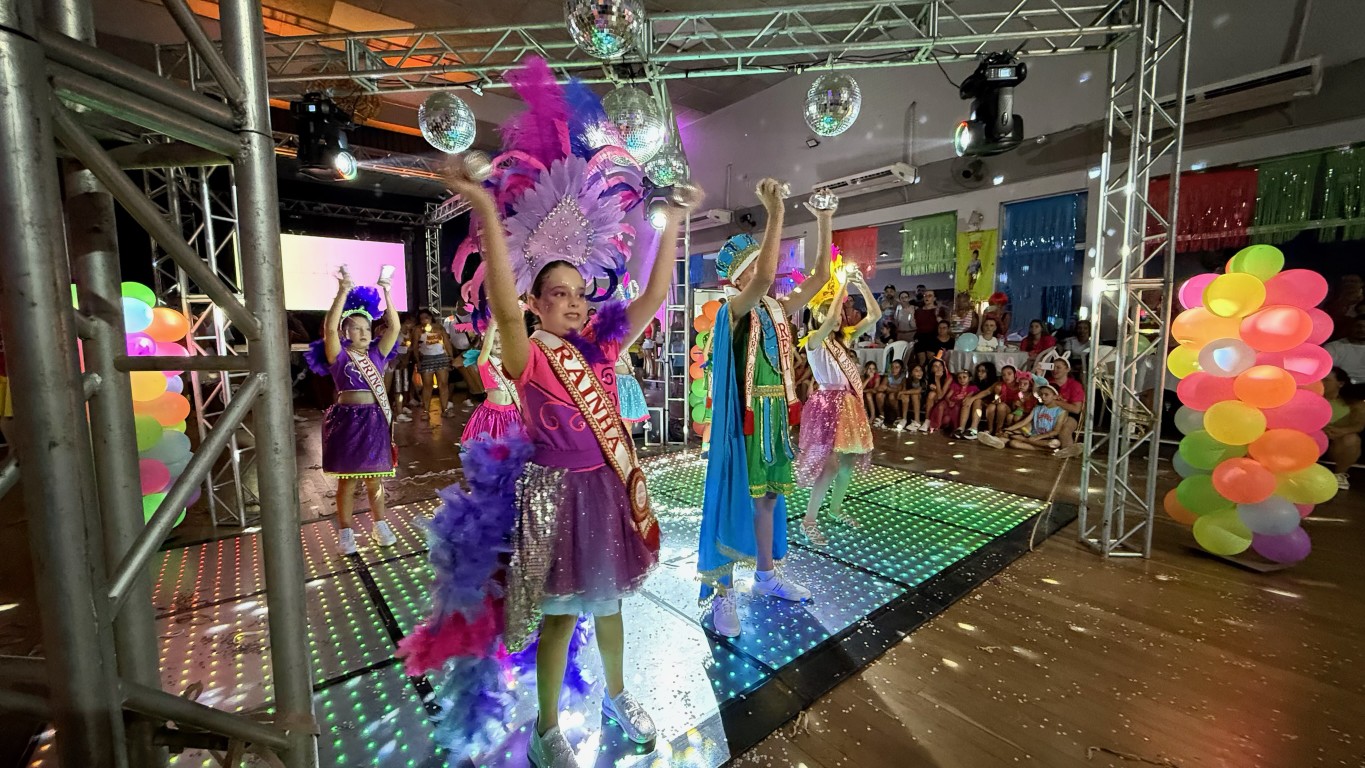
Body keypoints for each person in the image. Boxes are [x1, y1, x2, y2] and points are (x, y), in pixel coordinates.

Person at [401, 60, 703, 766]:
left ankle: (619, 694)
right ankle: (545, 730)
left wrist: (675, 225)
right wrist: (482, 211)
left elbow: (655, 297)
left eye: (578, 292)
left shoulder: (598, 350)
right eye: (557, 293)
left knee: (612, 603)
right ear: (536, 304)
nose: (573, 301)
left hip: (605, 486)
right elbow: (503, 304)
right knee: (564, 614)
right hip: (555, 496)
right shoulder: (526, 352)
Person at [697, 181, 833, 640]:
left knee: (770, 500)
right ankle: (723, 594)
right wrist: (775, 212)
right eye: (755, 264)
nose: (764, 270)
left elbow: (817, 279)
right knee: (737, 500)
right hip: (745, 424)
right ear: (737, 276)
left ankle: (766, 575)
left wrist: (823, 219)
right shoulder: (733, 309)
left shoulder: (775, 308)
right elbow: (763, 279)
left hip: (774, 420)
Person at [306, 273, 402, 555]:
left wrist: (388, 293)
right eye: (356, 328)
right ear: (346, 333)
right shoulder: (340, 356)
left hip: (374, 420)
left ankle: (380, 525)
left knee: (376, 480)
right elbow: (329, 329)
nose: (363, 333)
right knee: (347, 482)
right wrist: (342, 291)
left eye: (367, 328)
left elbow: (394, 328)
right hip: (347, 422)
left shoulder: (377, 355)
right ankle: (346, 532)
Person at [794, 263, 878, 545]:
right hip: (827, 405)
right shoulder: (813, 341)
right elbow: (828, 322)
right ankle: (809, 520)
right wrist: (841, 284)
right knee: (828, 465)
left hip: (848, 404)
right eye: (834, 310)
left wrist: (860, 283)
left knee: (847, 463)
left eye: (842, 311)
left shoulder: (844, 339)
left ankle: (836, 508)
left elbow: (875, 315)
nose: (840, 316)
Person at [458, 320, 523, 445]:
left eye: (501, 342)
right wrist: (492, 326)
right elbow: (486, 348)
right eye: (494, 342)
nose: (498, 345)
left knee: (512, 448)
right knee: (493, 448)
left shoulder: (510, 363)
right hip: (492, 415)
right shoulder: (484, 361)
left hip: (513, 413)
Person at [978, 382, 1069, 452]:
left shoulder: (1061, 411)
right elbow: (1024, 422)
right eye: (1041, 394)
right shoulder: (1038, 408)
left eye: (1046, 395)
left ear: (1056, 396)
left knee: (1055, 443)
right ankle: (997, 441)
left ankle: (1006, 439)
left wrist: (1037, 438)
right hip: (1033, 436)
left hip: (1046, 438)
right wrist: (1008, 429)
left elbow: (1056, 431)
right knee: (1013, 443)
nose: (1043, 397)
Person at [412, 308, 457, 418]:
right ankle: (426, 411)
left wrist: (451, 356)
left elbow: (446, 342)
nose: (424, 320)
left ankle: (445, 409)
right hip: (426, 359)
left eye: (426, 317)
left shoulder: (439, 328)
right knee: (427, 385)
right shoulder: (418, 330)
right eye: (421, 318)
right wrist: (417, 360)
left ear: (431, 317)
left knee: (443, 384)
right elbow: (414, 347)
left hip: (441, 357)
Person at [1323, 367, 1363, 490]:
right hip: (1313, 439)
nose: (1321, 383)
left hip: (1337, 443)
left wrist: (1342, 431)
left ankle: (1339, 475)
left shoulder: (1354, 402)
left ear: (1340, 383)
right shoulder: (1309, 398)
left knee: (1351, 439)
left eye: (1326, 380)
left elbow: (1359, 424)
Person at [954, 362, 999, 439]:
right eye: (978, 371)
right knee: (968, 400)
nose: (979, 373)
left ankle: (973, 429)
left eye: (983, 371)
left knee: (976, 400)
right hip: (974, 404)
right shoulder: (976, 383)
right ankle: (961, 428)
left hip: (989, 404)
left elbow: (987, 392)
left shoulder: (996, 382)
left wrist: (972, 398)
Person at [929, 369, 977, 434]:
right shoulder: (955, 385)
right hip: (950, 403)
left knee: (955, 409)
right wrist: (949, 401)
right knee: (941, 405)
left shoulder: (972, 388)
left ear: (970, 378)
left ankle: (956, 428)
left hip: (960, 405)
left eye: (964, 377)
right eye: (959, 378)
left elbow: (967, 398)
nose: (962, 380)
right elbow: (947, 396)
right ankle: (937, 425)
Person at [615, 350, 650, 431]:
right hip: (615, 384)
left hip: (626, 383)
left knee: (627, 424)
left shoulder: (622, 345)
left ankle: (629, 442)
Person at [983, 365, 1021, 435]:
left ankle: (998, 429)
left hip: (1012, 410)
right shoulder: (999, 386)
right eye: (1003, 375)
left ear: (1015, 375)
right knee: (991, 406)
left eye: (1009, 374)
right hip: (1001, 407)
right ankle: (990, 429)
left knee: (1001, 406)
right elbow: (990, 393)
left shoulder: (1020, 386)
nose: (1006, 377)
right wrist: (996, 400)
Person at [1326, 317, 1365, 384]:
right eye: (1358, 326)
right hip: (1342, 386)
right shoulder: (1333, 347)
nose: (1362, 330)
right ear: (1351, 328)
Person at [879, 359, 908, 429]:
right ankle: (881, 416)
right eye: (892, 367)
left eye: (897, 367)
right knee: (879, 395)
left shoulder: (903, 377)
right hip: (889, 394)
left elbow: (902, 389)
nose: (894, 369)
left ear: (901, 369)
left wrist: (888, 388)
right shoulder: (888, 376)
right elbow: (881, 388)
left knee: (892, 396)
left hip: (897, 395)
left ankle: (899, 416)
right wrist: (894, 389)